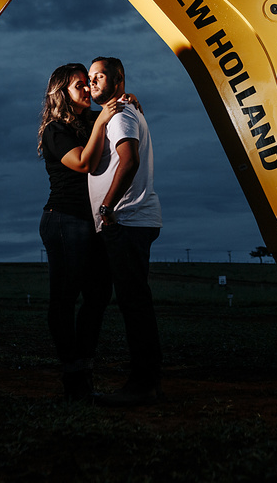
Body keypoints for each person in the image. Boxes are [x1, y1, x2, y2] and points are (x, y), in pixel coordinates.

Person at [36, 62, 125, 402]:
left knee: (100, 295)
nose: (88, 89)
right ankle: (73, 374)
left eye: (88, 83)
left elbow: (112, 117)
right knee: (64, 298)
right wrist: (103, 119)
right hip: (64, 220)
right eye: (79, 85)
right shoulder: (56, 130)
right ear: (62, 93)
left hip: (92, 221)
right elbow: (84, 163)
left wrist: (125, 99)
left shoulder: (89, 120)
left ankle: (82, 367)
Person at [86, 56, 163, 406]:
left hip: (125, 220)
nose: (92, 82)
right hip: (129, 221)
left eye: (99, 76)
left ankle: (143, 384)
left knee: (134, 305)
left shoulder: (120, 116)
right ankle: (144, 380)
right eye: (89, 78)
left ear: (118, 80)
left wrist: (106, 208)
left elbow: (128, 161)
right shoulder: (121, 113)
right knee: (134, 303)